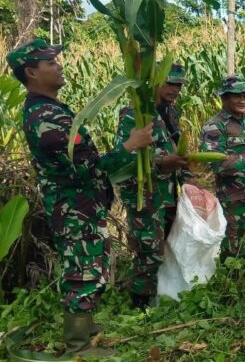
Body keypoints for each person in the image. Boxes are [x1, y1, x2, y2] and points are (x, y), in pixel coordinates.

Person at [9, 38, 153, 356]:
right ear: (31, 72)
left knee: (91, 263)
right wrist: (130, 146)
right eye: (50, 63)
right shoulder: (46, 118)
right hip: (73, 208)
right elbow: (86, 167)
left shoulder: (51, 110)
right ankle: (79, 346)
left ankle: (85, 328)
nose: (58, 65)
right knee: (82, 269)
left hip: (81, 206)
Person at [115, 63, 192, 310]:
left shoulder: (171, 113)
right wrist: (161, 163)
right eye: (170, 83)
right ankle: (140, 305)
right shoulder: (135, 113)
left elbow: (178, 149)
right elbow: (124, 156)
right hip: (144, 193)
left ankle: (160, 294)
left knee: (165, 244)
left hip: (167, 192)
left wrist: (187, 179)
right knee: (148, 250)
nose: (175, 89)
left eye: (179, 85)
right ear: (155, 81)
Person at [200, 76, 245, 292]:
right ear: (224, 97)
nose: (243, 100)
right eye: (237, 95)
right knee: (234, 248)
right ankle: (232, 291)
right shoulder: (214, 126)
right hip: (235, 200)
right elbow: (215, 163)